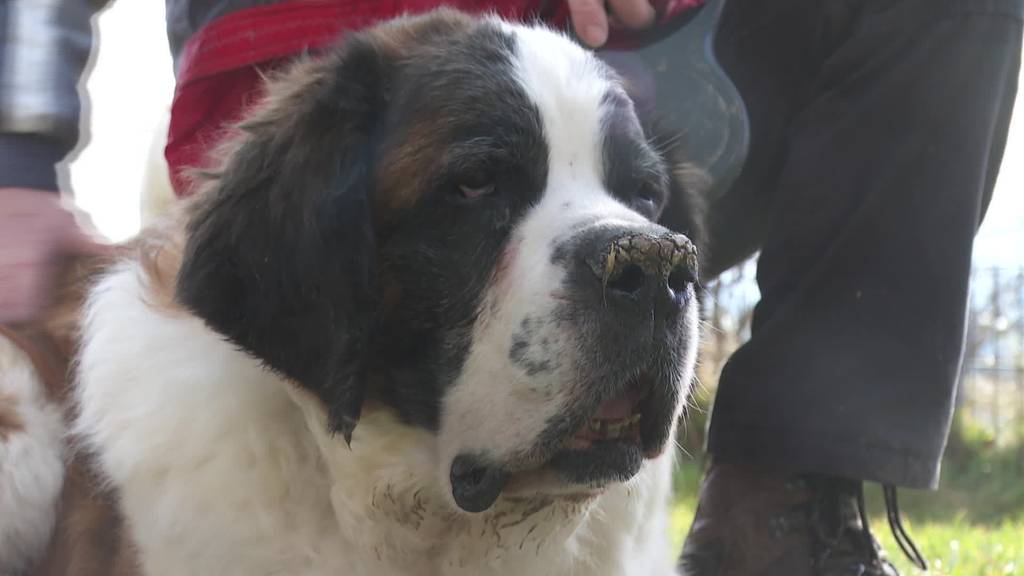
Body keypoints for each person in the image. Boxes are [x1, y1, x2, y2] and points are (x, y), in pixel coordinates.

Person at [1, 1, 1020, 574]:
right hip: (312, 62)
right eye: (479, 189)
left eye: (652, 222)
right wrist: (16, 147)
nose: (652, 259)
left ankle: (779, 516)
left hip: (626, 49)